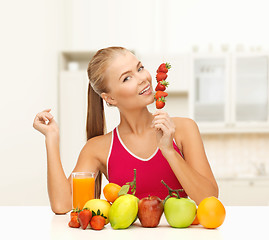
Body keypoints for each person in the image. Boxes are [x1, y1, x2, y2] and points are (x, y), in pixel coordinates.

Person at [33, 46, 218, 214]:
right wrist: (51, 137)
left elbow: (209, 198)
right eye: (127, 78)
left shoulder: (183, 129)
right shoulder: (97, 148)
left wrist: (169, 151)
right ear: (110, 98)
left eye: (139, 68)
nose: (142, 79)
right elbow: (62, 205)